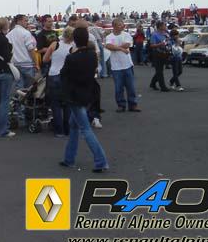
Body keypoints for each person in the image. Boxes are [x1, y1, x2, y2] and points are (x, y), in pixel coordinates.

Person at [59, 27, 109, 173]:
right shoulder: (92, 55)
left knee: (85, 129)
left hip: (74, 96)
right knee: (74, 126)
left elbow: (63, 74)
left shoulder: (71, 58)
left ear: (74, 40)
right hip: (87, 93)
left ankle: (101, 161)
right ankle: (69, 158)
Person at [43, 27, 74, 137]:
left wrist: (54, 58)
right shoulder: (73, 48)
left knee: (55, 105)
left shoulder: (54, 44)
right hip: (66, 76)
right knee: (67, 104)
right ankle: (67, 129)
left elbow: (45, 59)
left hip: (53, 75)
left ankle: (59, 130)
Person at [106, 18, 141, 112]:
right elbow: (109, 46)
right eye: (120, 25)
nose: (122, 26)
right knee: (118, 88)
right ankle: (121, 105)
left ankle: (133, 104)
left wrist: (116, 47)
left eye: (122, 24)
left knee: (131, 87)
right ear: (114, 26)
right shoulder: (110, 37)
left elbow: (127, 45)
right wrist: (121, 49)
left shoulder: (126, 35)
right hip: (116, 67)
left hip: (127, 65)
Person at [6, 14, 38, 91]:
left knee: (19, 88)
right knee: (29, 88)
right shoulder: (26, 33)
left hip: (14, 64)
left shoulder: (9, 34)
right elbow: (31, 49)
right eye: (25, 21)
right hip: (27, 64)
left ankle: (19, 98)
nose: (27, 22)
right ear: (19, 21)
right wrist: (36, 63)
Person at [149, 21, 170, 92]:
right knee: (159, 71)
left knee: (160, 70)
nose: (165, 27)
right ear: (160, 26)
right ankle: (163, 86)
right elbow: (152, 45)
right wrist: (160, 44)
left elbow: (168, 42)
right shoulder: (154, 35)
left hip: (164, 53)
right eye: (164, 25)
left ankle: (152, 83)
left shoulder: (165, 34)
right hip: (157, 53)